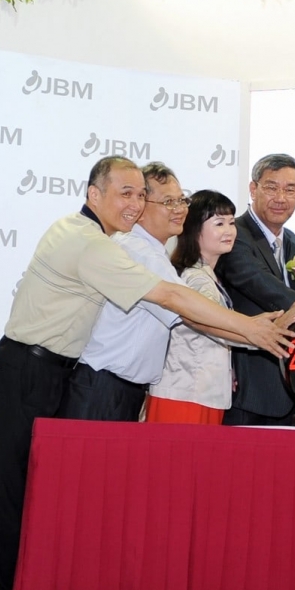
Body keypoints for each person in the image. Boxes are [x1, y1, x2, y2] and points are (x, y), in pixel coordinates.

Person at [0, 157, 295, 590]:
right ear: (93, 195)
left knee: (33, 494)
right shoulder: (92, 243)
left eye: (142, 194)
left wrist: (252, 328)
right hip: (34, 370)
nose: (136, 204)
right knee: (12, 492)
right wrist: (252, 329)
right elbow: (175, 301)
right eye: (127, 193)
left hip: (59, 372)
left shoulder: (116, 244)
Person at [152, 191, 295, 423]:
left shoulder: (210, 276)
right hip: (186, 394)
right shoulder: (196, 278)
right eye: (219, 224)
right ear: (194, 229)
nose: (229, 231)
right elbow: (213, 327)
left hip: (205, 394)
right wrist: (265, 333)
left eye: (231, 223)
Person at [63, 162, 187, 422]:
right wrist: (251, 330)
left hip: (118, 389)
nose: (179, 209)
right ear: (141, 211)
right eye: (168, 202)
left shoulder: (153, 251)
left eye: (181, 200)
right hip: (103, 389)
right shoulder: (138, 251)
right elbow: (184, 308)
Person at [216, 154, 295, 426]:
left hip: (291, 382)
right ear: (253, 189)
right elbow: (258, 282)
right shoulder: (234, 233)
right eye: (271, 187)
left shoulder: (293, 241)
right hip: (249, 383)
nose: (280, 198)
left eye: (290, 189)